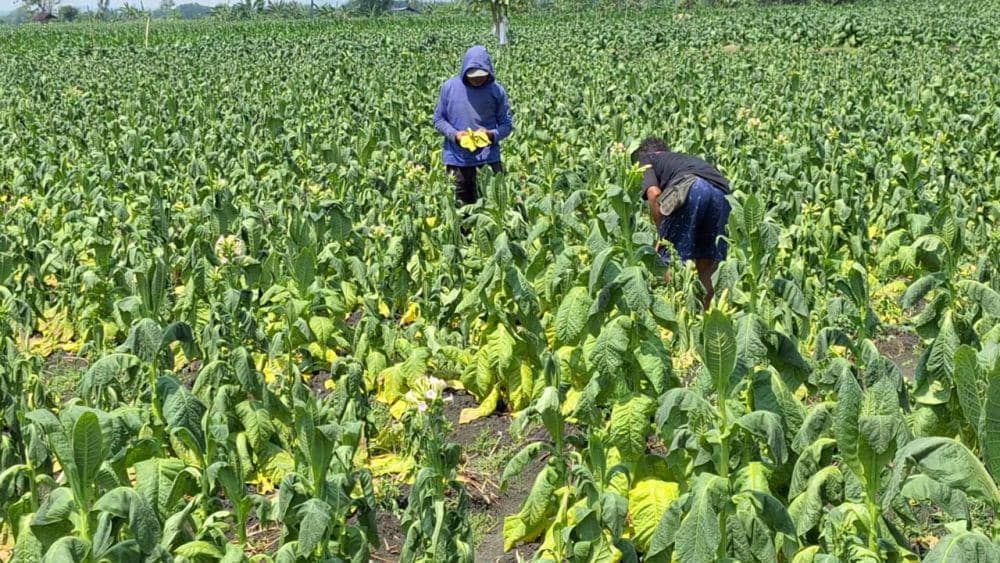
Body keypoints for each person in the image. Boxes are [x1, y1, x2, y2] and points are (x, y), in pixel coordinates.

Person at [632, 137, 732, 309]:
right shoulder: (683, 159)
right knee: (708, 262)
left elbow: (654, 194)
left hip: (691, 188)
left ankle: (674, 318)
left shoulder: (646, 159)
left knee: (671, 259)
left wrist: (662, 235)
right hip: (722, 195)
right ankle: (703, 319)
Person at [433, 45, 514, 206]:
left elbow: (507, 124)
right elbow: (438, 120)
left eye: (481, 75)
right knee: (461, 211)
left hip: (488, 159)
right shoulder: (449, 87)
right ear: (465, 70)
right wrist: (455, 135)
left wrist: (491, 134)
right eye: (472, 75)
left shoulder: (496, 91)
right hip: (458, 161)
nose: (477, 79)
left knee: (494, 208)